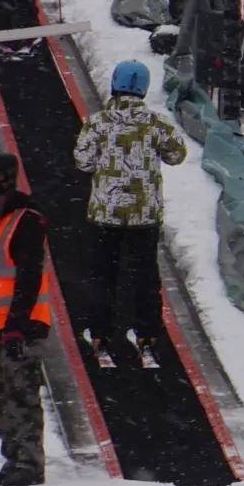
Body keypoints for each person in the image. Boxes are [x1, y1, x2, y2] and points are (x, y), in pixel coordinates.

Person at [71, 59, 187, 370]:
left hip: (105, 215)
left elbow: (82, 160)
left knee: (102, 276)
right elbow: (177, 154)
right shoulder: (155, 123)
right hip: (143, 217)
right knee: (145, 278)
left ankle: (101, 335)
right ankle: (147, 336)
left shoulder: (98, 122)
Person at [0, 151, 52, 486]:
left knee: (22, 395)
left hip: (21, 328)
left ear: (7, 178)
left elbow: (29, 278)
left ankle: (29, 463)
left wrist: (17, 325)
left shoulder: (25, 221)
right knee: (0, 396)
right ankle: (14, 459)